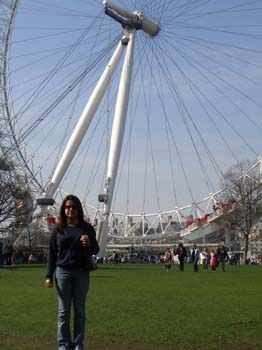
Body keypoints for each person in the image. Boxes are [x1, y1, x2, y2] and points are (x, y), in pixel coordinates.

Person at [45, 194, 99, 350]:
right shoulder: (58, 229)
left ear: (78, 209)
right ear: (64, 209)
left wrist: (88, 242)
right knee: (63, 312)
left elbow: (96, 249)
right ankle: (63, 344)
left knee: (80, 311)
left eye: (73, 207)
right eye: (68, 207)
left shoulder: (86, 228)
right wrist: (49, 275)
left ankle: (77, 344)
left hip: (81, 273)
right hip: (62, 273)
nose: (70, 210)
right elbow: (52, 253)